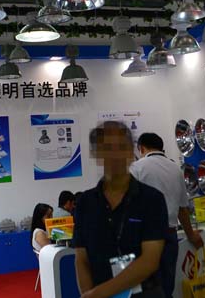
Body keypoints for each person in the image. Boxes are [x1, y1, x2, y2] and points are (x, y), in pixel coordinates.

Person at [74, 121, 168, 298]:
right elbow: (81, 259)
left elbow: (150, 261)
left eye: (121, 147)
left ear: (131, 151)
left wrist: (98, 294)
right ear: (96, 153)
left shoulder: (152, 199)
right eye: (107, 148)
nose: (115, 154)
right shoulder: (85, 203)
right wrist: (88, 294)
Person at [130, 132, 204, 298]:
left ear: (141, 148)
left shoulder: (137, 168)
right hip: (169, 236)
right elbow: (182, 210)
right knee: (166, 286)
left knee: (144, 288)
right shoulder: (176, 169)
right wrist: (191, 235)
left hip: (144, 237)